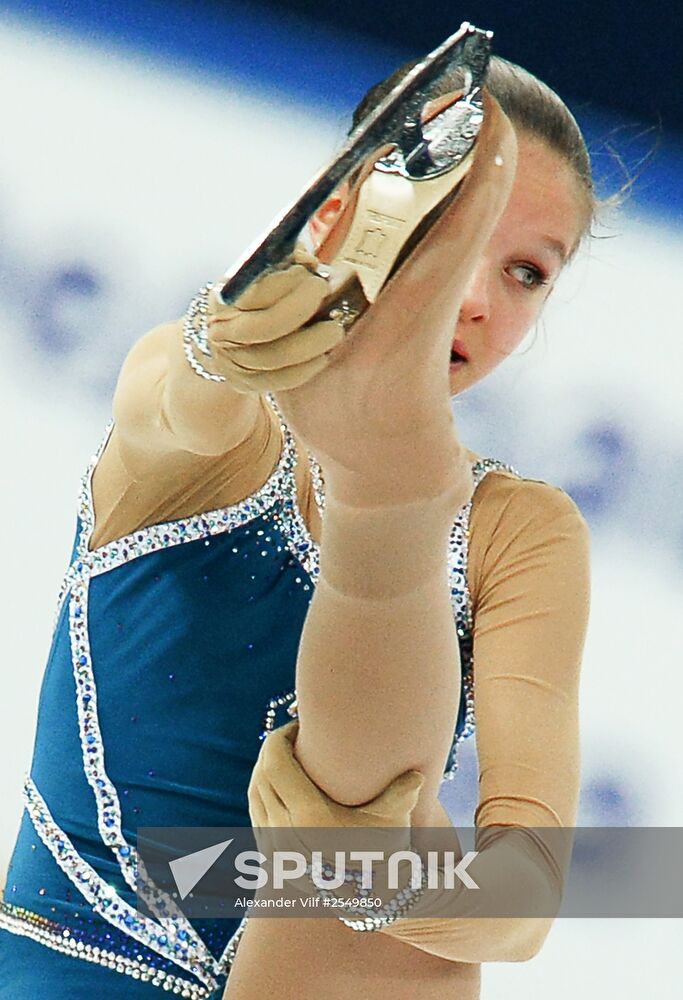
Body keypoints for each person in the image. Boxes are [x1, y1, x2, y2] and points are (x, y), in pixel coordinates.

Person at [0, 53, 592, 1000]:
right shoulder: (218, 429)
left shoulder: (519, 533)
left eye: (525, 272)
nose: (476, 298)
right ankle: (387, 494)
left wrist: (381, 879)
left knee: (357, 860)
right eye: (445, 232)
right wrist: (220, 346)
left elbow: (526, 900)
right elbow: (177, 407)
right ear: (343, 210)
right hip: (72, 966)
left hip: (327, 961)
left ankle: (388, 491)